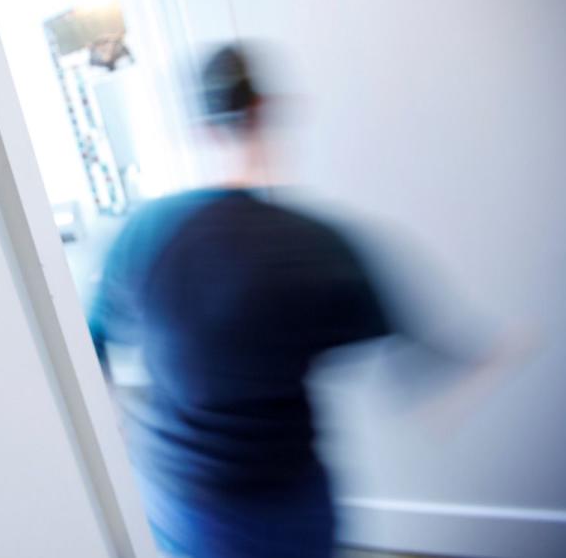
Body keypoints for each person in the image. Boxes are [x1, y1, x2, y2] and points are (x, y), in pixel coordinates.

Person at [89, 45, 394, 557]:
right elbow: (419, 358)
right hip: (289, 498)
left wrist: (115, 424)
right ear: (265, 111)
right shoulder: (315, 242)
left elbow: (90, 342)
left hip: (187, 506)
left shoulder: (146, 231)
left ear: (201, 127)